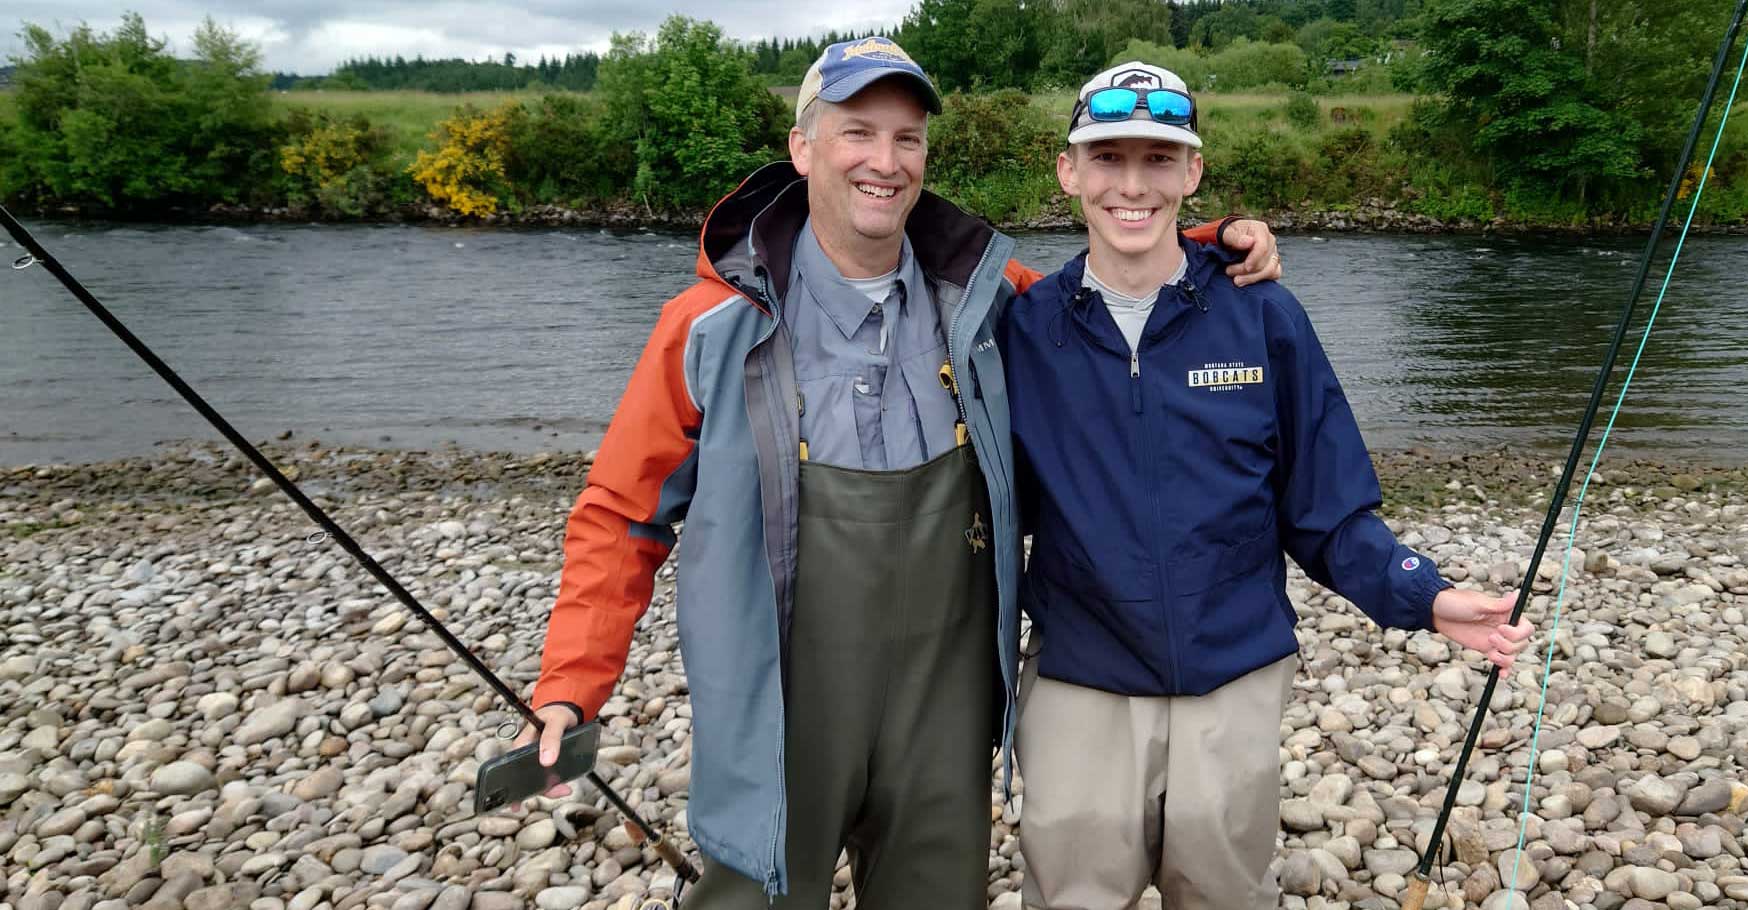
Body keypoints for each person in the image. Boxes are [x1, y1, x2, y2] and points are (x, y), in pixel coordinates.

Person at [508, 40, 1284, 908]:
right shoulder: (707, 329)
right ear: (803, 148)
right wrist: (570, 688)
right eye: (858, 133)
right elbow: (623, 514)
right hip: (776, 710)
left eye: (907, 138)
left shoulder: (989, 300)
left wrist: (1207, 243)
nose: (885, 161)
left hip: (943, 712)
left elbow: (1108, 287)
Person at [1000, 62, 1536, 910]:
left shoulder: (1264, 314)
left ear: (1193, 171)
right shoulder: (1022, 329)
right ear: (1068, 172)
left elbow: (1326, 508)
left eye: (1158, 159)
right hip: (1079, 675)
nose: (1132, 186)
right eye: (1107, 158)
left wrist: (1424, 595)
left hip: (1235, 671)